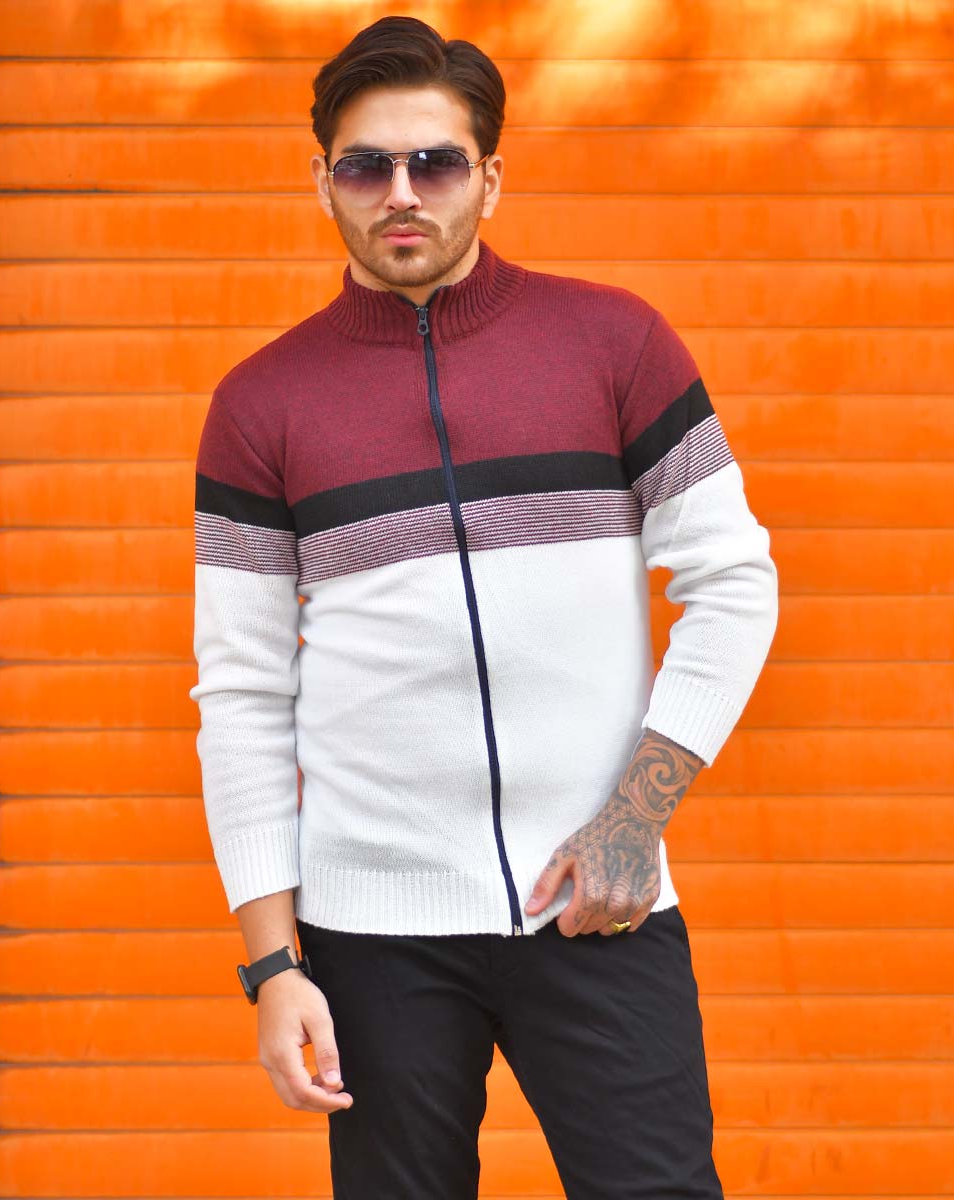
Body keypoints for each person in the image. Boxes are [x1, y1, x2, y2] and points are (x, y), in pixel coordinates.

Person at [188, 14, 777, 1198]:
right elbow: (242, 694)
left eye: (436, 162)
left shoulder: (614, 344)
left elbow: (733, 579)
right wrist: (274, 967)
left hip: (597, 904)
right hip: (374, 937)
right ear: (323, 180)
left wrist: (635, 819)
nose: (402, 193)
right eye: (367, 166)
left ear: (490, 178)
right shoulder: (261, 406)